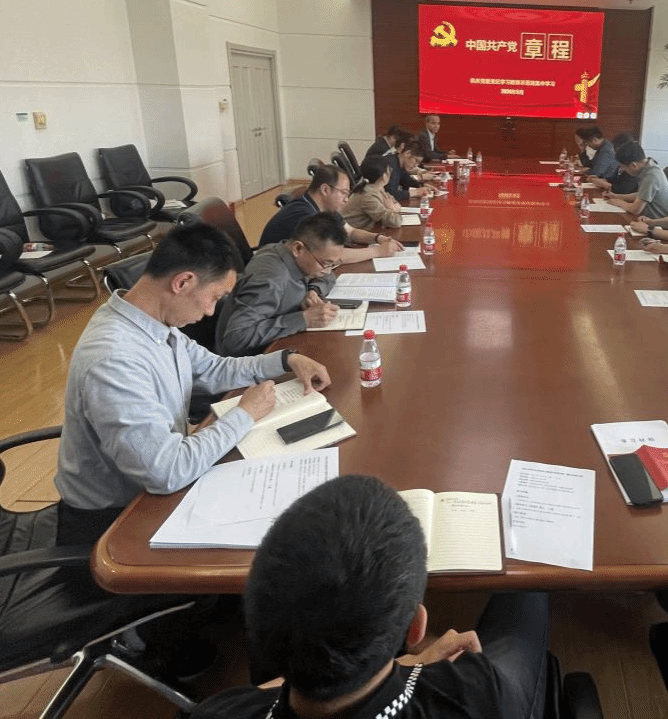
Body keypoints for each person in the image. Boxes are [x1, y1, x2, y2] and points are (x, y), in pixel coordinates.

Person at [55, 223, 331, 546]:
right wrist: (245, 414)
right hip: (113, 523)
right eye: (214, 298)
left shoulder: (152, 323)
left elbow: (213, 368)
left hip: (155, 488)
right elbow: (166, 471)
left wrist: (285, 360)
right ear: (183, 282)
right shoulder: (114, 359)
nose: (211, 311)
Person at [189, 476, 550, 719]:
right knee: (527, 590)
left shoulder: (216, 711)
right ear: (415, 629)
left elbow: (271, 693)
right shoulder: (476, 693)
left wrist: (410, 664)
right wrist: (412, 667)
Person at [216, 212, 350, 356]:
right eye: (325, 263)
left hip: (280, 344)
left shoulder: (291, 254)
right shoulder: (270, 280)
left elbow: (328, 277)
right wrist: (304, 319)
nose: (327, 270)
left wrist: (313, 291)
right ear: (298, 249)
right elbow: (235, 339)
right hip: (249, 359)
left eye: (332, 264)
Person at [259, 165, 403, 260]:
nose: (346, 199)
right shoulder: (304, 214)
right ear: (325, 190)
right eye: (343, 193)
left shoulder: (327, 208)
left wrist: (378, 238)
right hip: (275, 274)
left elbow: (350, 232)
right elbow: (331, 255)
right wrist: (379, 251)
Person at [603, 140, 668, 219]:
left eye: (623, 167)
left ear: (634, 165)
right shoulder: (649, 167)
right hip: (648, 218)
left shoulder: (651, 175)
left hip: (658, 222)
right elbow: (641, 195)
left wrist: (619, 202)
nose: (623, 170)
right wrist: (616, 196)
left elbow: (636, 209)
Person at [343, 157, 403, 230]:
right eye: (390, 170)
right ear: (384, 176)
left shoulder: (376, 187)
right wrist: (392, 209)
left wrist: (392, 207)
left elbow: (393, 201)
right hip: (350, 234)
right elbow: (396, 222)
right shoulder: (369, 196)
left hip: (364, 231)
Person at [386, 137, 429, 203]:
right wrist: (416, 192)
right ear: (407, 153)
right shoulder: (390, 164)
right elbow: (389, 194)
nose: (416, 165)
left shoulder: (399, 164)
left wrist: (422, 185)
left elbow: (407, 180)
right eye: (416, 161)